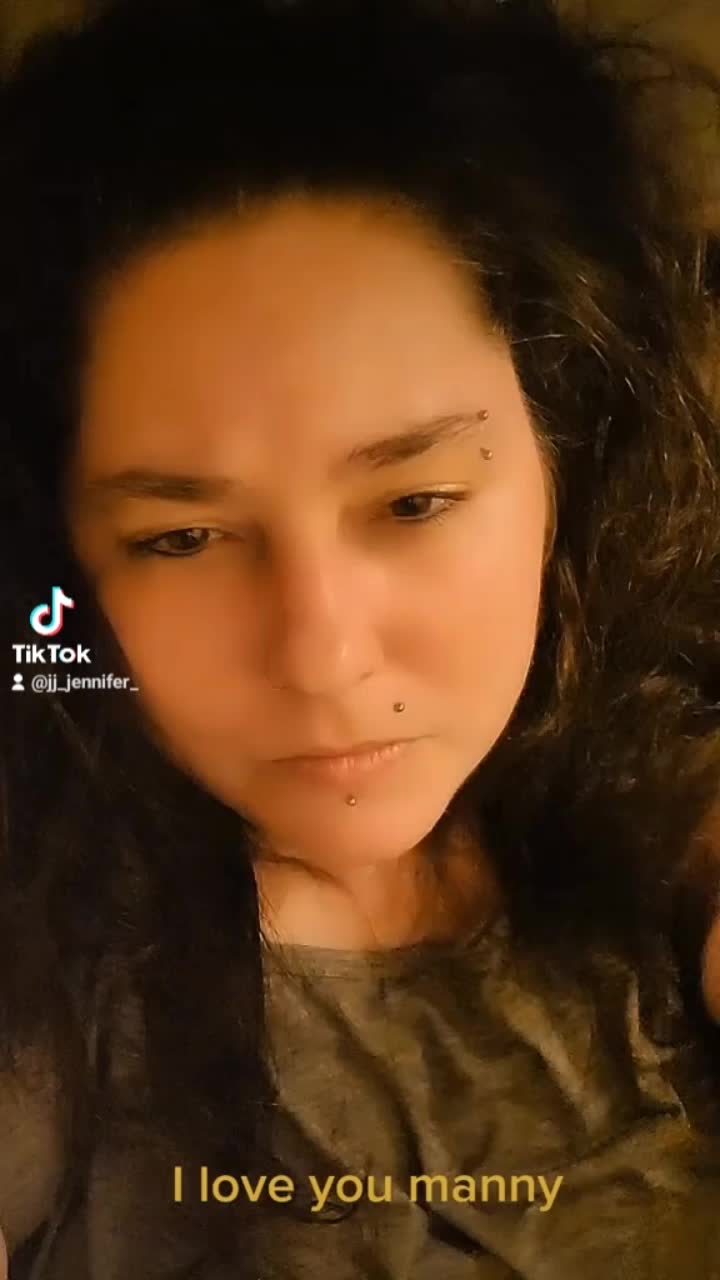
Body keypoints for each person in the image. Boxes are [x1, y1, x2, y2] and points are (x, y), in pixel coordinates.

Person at [1, 0, 719, 1275]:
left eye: (415, 502)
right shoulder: (49, 956)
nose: (323, 657)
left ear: (569, 463)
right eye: (182, 536)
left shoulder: (665, 829)